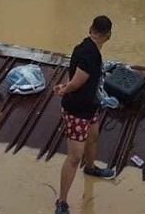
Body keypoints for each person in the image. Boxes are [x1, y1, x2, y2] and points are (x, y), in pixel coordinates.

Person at [53, 15, 116, 214]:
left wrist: (65, 86)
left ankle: (90, 167)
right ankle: (61, 201)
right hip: (77, 111)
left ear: (91, 29)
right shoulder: (90, 55)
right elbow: (78, 81)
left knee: (93, 136)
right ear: (108, 36)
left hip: (89, 106)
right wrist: (65, 89)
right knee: (74, 157)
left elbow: (76, 77)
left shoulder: (83, 47)